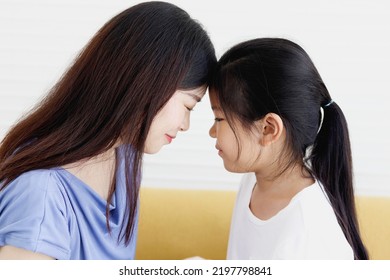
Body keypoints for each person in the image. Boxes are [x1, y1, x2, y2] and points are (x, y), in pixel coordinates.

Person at [0, 1, 216, 260]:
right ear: (149, 82)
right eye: (189, 105)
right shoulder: (41, 194)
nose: (185, 124)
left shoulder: (123, 155)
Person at [208, 38, 368, 259]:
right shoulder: (254, 180)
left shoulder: (307, 232)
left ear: (268, 129)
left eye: (218, 119)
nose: (212, 131)